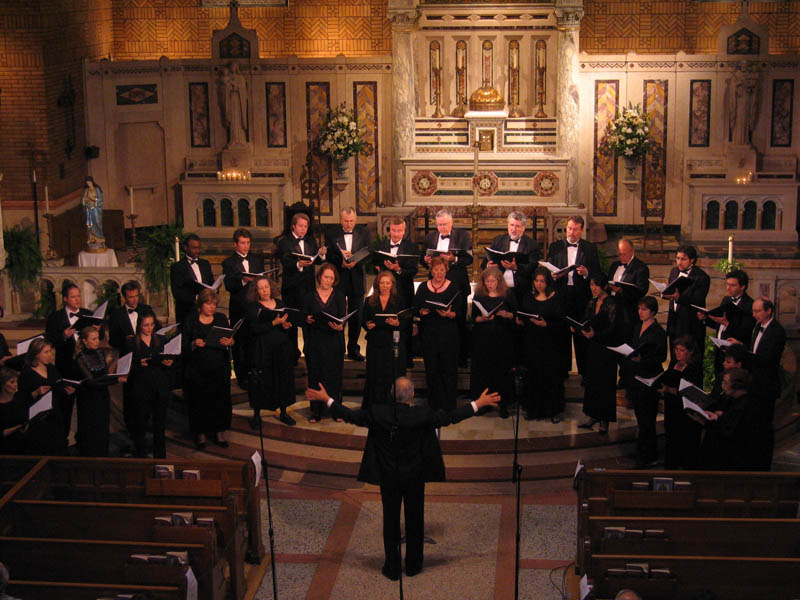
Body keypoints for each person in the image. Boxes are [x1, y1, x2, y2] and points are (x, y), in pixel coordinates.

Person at [305, 376, 501, 580]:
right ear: (413, 395)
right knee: (415, 520)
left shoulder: (378, 413)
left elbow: (350, 416)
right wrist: (478, 403)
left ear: (392, 395)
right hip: (414, 476)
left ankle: (392, 568)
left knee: (391, 521)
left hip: (389, 477)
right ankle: (414, 566)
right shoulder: (423, 414)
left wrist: (327, 399)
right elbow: (451, 417)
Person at [730, 297, 786, 470]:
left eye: (757, 311)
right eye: (753, 311)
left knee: (764, 427)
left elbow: (767, 359)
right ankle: (752, 461)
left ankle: (763, 465)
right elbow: (755, 351)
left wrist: (743, 353)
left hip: (766, 386)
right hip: (755, 383)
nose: (753, 315)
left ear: (768, 311)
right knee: (754, 426)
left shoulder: (777, 331)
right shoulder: (757, 328)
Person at [545, 215, 601, 380]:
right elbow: (549, 268)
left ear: (582, 230)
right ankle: (561, 372)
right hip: (561, 296)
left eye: (575, 229)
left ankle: (585, 373)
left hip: (581, 297)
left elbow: (597, 273)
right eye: (569, 228)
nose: (571, 232)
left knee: (581, 335)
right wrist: (552, 275)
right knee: (561, 335)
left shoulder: (590, 248)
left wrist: (587, 273)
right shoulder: (555, 247)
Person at [108, 280, 160, 445]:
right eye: (130, 297)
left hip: (149, 358)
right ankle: (133, 431)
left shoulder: (146, 309)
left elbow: (157, 329)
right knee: (131, 397)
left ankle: (148, 427)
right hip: (129, 360)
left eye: (136, 296)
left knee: (149, 394)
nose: (134, 300)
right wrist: (125, 339)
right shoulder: (117, 314)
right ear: (124, 297)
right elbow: (113, 341)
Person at [181, 289, 234, 449]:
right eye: (208, 304)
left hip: (219, 367)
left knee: (220, 400)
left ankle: (219, 432)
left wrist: (230, 342)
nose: (211, 307)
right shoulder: (191, 320)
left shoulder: (220, 318)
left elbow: (230, 339)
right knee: (199, 401)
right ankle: (201, 434)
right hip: (198, 369)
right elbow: (182, 344)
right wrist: (193, 344)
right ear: (200, 305)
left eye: (214, 304)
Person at [420, 209, 473, 366]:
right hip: (435, 285)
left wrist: (454, 258)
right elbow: (423, 260)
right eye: (439, 225)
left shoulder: (463, 236)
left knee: (458, 321)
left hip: (456, 285)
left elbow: (469, 258)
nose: (442, 228)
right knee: (436, 321)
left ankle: (460, 359)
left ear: (452, 223)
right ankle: (436, 356)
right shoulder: (430, 237)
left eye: (445, 224)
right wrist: (426, 260)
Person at [45, 283, 97, 440]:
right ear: (65, 299)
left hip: (86, 370)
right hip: (66, 368)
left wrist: (97, 332)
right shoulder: (56, 317)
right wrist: (64, 335)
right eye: (73, 296)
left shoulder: (88, 314)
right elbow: (49, 341)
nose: (77, 299)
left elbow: (98, 341)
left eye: (79, 296)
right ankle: (63, 442)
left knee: (86, 409)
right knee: (65, 409)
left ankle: (85, 443)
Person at [245, 276, 296, 428]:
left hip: (281, 347)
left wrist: (285, 325)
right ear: (256, 291)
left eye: (266, 287)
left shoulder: (280, 303)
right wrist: (274, 322)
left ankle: (283, 412)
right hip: (263, 349)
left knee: (283, 379)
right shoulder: (253, 307)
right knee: (262, 381)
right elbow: (253, 329)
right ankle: (257, 415)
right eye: (261, 288)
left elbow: (286, 324)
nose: (265, 290)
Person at [576, 274, 624, 434]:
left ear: (603, 286)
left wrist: (595, 334)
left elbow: (613, 328)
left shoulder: (612, 304)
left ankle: (604, 420)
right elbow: (586, 320)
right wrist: (581, 328)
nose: (592, 288)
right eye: (591, 285)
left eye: (595, 285)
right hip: (593, 347)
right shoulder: (592, 301)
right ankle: (592, 416)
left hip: (607, 348)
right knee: (592, 382)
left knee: (605, 383)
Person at [122, 312, 174, 458]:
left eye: (152, 324)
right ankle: (141, 455)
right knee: (141, 424)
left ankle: (160, 455)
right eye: (146, 325)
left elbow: (166, 359)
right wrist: (139, 364)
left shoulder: (160, 340)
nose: (149, 328)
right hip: (141, 388)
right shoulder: (132, 343)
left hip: (159, 386)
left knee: (159, 424)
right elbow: (126, 365)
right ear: (139, 326)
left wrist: (168, 362)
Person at [624, 296, 668, 468]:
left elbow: (661, 356)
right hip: (636, 378)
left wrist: (641, 359)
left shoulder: (658, 332)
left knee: (647, 419)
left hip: (649, 379)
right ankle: (642, 450)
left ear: (653, 312)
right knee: (640, 417)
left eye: (644, 309)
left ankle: (649, 455)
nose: (640, 312)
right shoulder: (637, 327)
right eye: (639, 309)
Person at [414, 256, 462, 411]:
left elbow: (459, 312)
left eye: (442, 269)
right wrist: (422, 311)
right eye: (436, 270)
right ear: (431, 271)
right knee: (432, 369)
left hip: (448, 334)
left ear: (446, 270)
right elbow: (416, 308)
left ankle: (449, 405)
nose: (439, 273)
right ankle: (434, 404)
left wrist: (449, 314)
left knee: (448, 369)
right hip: (429, 333)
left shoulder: (453, 287)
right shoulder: (422, 287)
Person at [518, 266, 566, 422]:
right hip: (532, 342)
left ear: (548, 282)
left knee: (550, 377)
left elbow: (561, 323)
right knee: (533, 376)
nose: (539, 284)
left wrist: (547, 325)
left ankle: (553, 410)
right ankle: (534, 409)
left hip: (550, 343)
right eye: (537, 281)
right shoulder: (528, 296)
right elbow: (524, 314)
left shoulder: (555, 297)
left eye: (542, 281)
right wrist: (522, 320)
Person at [277, 212, 327, 362]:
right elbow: (285, 261)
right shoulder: (284, 242)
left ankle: (309, 351)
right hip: (291, 288)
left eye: (305, 226)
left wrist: (321, 255)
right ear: (293, 226)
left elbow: (316, 261)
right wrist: (298, 264)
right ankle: (293, 354)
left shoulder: (310, 240)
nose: (303, 229)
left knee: (308, 320)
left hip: (308, 288)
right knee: (291, 322)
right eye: (300, 226)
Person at [325, 207, 371, 361]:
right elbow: (329, 256)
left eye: (351, 221)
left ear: (355, 220)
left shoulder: (364, 233)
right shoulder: (331, 233)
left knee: (356, 317)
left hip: (357, 280)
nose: (349, 224)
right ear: (341, 220)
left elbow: (369, 255)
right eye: (346, 221)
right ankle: (338, 349)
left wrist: (355, 260)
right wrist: (342, 263)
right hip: (339, 279)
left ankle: (353, 349)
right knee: (337, 314)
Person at [470, 267, 517, 418]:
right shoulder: (479, 295)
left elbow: (516, 315)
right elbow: (474, 318)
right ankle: (483, 404)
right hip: (483, 339)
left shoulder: (507, 295)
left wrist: (506, 314)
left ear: (499, 281)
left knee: (501, 371)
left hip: (502, 339)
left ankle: (503, 404)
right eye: (487, 281)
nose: (490, 284)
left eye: (492, 281)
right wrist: (483, 318)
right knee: (484, 371)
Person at [697, 269, 754, 393]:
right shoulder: (726, 300)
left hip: (735, 355)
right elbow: (720, 324)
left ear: (743, 287)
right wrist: (706, 319)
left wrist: (726, 323)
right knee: (718, 383)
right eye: (727, 284)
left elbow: (746, 331)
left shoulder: (749, 305)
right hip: (721, 351)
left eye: (732, 285)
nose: (728, 288)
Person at [372, 217, 418, 369]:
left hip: (404, 291)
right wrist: (379, 268)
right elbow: (374, 265)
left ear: (404, 231)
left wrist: (397, 269)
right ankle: (386, 357)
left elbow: (414, 270)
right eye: (393, 230)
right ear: (389, 230)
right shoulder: (381, 245)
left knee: (405, 324)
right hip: (386, 291)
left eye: (399, 231)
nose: (396, 233)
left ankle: (406, 359)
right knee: (386, 323)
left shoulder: (411, 247)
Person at [302, 264, 346, 423]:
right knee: (315, 376)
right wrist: (307, 319)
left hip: (334, 342)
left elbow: (343, 318)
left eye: (331, 278)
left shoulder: (339, 296)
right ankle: (316, 411)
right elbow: (303, 318)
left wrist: (340, 326)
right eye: (326, 277)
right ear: (319, 276)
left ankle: (336, 410)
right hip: (315, 341)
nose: (328, 280)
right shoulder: (308, 296)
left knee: (334, 376)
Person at [222, 228, 265, 389]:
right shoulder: (229, 263)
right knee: (240, 343)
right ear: (235, 244)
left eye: (248, 243)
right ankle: (242, 377)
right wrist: (243, 281)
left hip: (255, 306)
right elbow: (229, 285)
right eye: (242, 243)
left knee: (255, 341)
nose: (245, 246)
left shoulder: (256, 260)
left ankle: (256, 373)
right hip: (239, 307)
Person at [74, 326, 125, 457]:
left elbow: (104, 374)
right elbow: (91, 382)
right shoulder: (80, 358)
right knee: (90, 427)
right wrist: (115, 380)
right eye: (93, 339)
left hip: (102, 395)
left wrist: (115, 368)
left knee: (102, 426)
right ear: (85, 341)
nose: (97, 341)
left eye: (97, 338)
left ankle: (102, 454)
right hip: (88, 398)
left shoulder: (100, 353)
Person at [17, 339, 72, 455]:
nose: (50, 355)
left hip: (55, 415)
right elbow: (20, 398)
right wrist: (36, 393)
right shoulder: (27, 373)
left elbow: (58, 386)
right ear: (36, 354)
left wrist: (66, 390)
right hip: (38, 420)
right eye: (46, 352)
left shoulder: (51, 369)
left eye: (50, 352)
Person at [362, 271, 406, 408]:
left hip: (392, 342)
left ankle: (391, 405)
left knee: (391, 374)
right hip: (375, 342)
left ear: (392, 285)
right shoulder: (369, 300)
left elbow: (405, 320)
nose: (385, 286)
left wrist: (398, 323)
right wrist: (367, 325)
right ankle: (374, 405)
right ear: (377, 284)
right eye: (382, 283)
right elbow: (363, 320)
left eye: (388, 283)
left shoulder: (399, 300)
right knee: (375, 374)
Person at [659, 335, 703, 470]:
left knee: (685, 440)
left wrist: (669, 389)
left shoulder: (694, 368)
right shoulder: (674, 364)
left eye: (681, 350)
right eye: (676, 349)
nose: (677, 353)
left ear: (690, 352)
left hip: (685, 410)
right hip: (671, 407)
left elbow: (690, 391)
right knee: (671, 437)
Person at [700, 368, 757, 470]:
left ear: (736, 385)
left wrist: (705, 421)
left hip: (733, 459)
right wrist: (719, 416)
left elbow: (730, 432)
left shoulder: (744, 405)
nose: (722, 385)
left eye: (726, 383)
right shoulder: (735, 400)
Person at [483, 211, 540, 305]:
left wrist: (516, 267)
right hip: (498, 290)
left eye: (517, 226)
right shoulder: (499, 240)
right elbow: (485, 261)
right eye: (511, 225)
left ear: (523, 228)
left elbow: (532, 267)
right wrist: (488, 266)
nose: (513, 229)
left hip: (521, 291)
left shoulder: (532, 244)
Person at [664, 244, 710, 356]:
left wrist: (679, 297)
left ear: (692, 260)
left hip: (690, 326)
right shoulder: (674, 271)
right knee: (675, 358)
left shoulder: (701, 277)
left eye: (683, 259)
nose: (679, 262)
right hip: (674, 322)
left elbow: (697, 301)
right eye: (678, 258)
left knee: (690, 359)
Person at [170, 234, 214, 326]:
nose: (197, 251)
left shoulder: (205, 264)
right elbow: (177, 292)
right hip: (187, 311)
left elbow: (211, 283)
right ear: (186, 248)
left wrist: (214, 289)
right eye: (194, 248)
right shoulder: (177, 267)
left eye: (198, 248)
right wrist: (196, 299)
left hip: (206, 312)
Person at [81, 175, 105, 249]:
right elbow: (83, 200)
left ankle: (100, 239)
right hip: (89, 209)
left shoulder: (96, 189)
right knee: (90, 225)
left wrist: (94, 200)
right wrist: (85, 200)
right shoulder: (86, 190)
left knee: (97, 223)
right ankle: (92, 239)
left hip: (95, 209)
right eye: (87, 182)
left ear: (92, 182)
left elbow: (100, 199)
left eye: (89, 182)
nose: (88, 183)